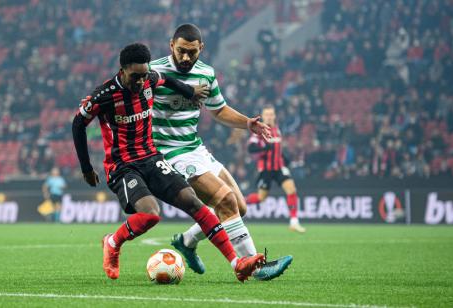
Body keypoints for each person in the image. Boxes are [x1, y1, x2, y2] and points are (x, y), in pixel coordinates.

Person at [71, 43, 265, 281]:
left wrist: (190, 92)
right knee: (151, 215)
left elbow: (166, 80)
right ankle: (112, 242)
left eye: (144, 76)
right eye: (135, 77)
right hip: (122, 166)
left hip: (152, 158)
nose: (141, 82)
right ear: (122, 71)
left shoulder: (150, 78)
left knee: (195, 204)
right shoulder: (104, 95)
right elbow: (78, 124)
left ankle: (238, 263)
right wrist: (86, 168)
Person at [150, 24, 292, 281]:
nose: (185, 57)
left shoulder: (206, 73)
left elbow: (218, 110)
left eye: (191, 53)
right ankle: (256, 268)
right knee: (225, 201)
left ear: (201, 48)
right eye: (181, 51)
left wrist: (247, 123)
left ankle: (187, 241)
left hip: (195, 148)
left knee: (239, 206)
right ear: (171, 45)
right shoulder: (154, 71)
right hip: (169, 152)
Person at [245, 105, 306, 232]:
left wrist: (285, 159)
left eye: (271, 114)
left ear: (274, 116)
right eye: (266, 114)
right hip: (266, 169)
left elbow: (278, 148)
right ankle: (241, 202)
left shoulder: (277, 130)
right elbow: (250, 147)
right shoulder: (259, 130)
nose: (269, 117)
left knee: (291, 190)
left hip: (279, 167)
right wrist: (264, 148)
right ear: (262, 116)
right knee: (261, 198)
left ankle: (294, 222)